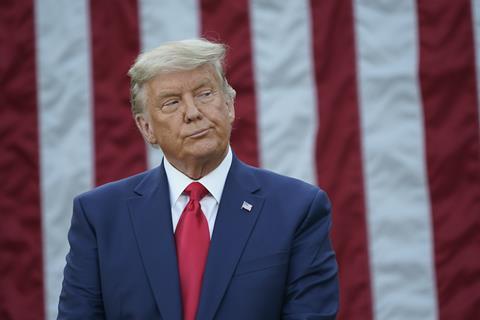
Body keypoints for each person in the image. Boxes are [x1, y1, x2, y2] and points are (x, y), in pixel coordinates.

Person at [58, 38, 339, 320]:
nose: (193, 113)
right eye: (172, 102)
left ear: (229, 105)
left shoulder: (297, 209)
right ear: (146, 128)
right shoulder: (99, 216)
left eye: (205, 94)